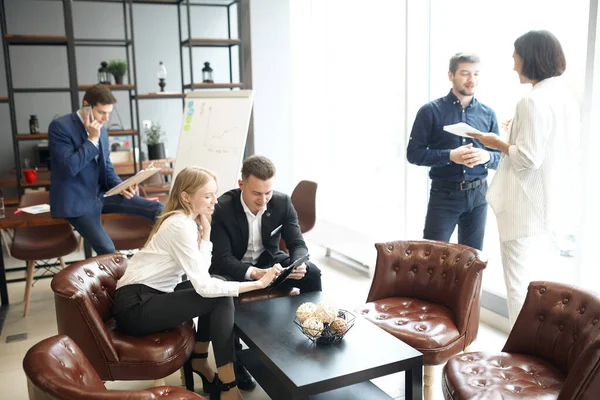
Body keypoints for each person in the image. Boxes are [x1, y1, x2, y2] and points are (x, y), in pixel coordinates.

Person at [114, 166, 280, 400]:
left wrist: (206, 233)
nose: (215, 201)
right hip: (136, 306)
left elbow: (203, 273)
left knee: (220, 283)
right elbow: (204, 286)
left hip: (153, 296)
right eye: (208, 195)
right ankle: (228, 386)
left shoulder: (187, 223)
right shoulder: (178, 225)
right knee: (219, 294)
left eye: (215, 194)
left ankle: (202, 362)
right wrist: (257, 284)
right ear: (185, 197)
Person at [469, 30, 580, 327]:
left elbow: (528, 159)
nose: (514, 66)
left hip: (523, 209)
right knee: (542, 285)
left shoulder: (531, 102)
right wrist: (515, 131)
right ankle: (538, 350)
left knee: (519, 288)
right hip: (547, 206)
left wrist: (498, 143)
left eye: (515, 58)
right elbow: (549, 147)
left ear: (531, 58)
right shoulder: (563, 97)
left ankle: (520, 356)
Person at [210, 155, 323, 390]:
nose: (263, 200)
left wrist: (298, 262)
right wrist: (254, 274)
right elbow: (222, 259)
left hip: (271, 264)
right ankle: (235, 361)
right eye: (257, 194)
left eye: (268, 193)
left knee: (312, 273)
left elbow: (297, 242)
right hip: (235, 270)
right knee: (222, 293)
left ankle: (311, 335)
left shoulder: (281, 202)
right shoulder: (222, 208)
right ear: (241, 185)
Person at [48, 84, 163, 255]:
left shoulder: (102, 131)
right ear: (86, 105)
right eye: (102, 112)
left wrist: (121, 186)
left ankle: (158, 262)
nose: (105, 118)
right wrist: (92, 139)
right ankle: (118, 282)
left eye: (109, 113)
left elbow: (106, 167)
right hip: (77, 202)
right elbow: (69, 168)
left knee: (160, 209)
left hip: (101, 196)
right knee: (108, 249)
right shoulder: (60, 127)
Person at [407, 53, 501, 251]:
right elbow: (414, 153)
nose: (472, 80)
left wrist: (485, 157)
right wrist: (450, 155)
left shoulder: (488, 114)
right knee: (431, 256)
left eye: (476, 74)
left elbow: (500, 158)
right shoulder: (430, 111)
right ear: (451, 75)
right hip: (444, 195)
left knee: (472, 261)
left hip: (479, 196)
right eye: (465, 73)